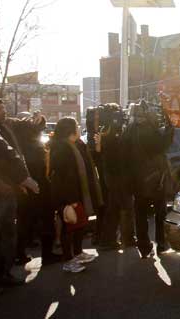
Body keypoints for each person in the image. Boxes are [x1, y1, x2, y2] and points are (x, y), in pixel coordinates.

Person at [0, 95, 38, 289]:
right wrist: (24, 179)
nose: (4, 112)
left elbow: (12, 155)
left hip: (6, 191)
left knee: (7, 235)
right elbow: (4, 152)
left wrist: (19, 180)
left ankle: (2, 274)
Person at [49, 117, 103, 273]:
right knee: (69, 227)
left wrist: (98, 145)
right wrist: (69, 200)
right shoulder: (61, 148)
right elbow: (61, 176)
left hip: (80, 192)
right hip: (68, 195)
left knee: (80, 225)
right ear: (70, 130)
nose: (79, 128)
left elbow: (89, 163)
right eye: (76, 126)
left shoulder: (78, 144)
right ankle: (68, 261)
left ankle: (78, 253)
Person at [6, 114, 60, 265]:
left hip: (24, 188)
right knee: (46, 219)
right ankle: (47, 255)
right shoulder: (33, 146)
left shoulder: (18, 145)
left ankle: (19, 254)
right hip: (40, 187)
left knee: (24, 221)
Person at [123, 102, 174, 258]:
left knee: (140, 214)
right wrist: (170, 126)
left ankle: (144, 247)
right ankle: (161, 244)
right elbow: (162, 145)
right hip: (155, 179)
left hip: (136, 180)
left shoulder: (129, 131)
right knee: (160, 212)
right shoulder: (148, 131)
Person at [91, 105, 136, 251]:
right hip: (118, 174)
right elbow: (122, 152)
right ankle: (127, 238)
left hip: (110, 175)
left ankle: (108, 239)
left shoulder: (104, 131)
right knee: (126, 207)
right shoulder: (113, 132)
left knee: (113, 207)